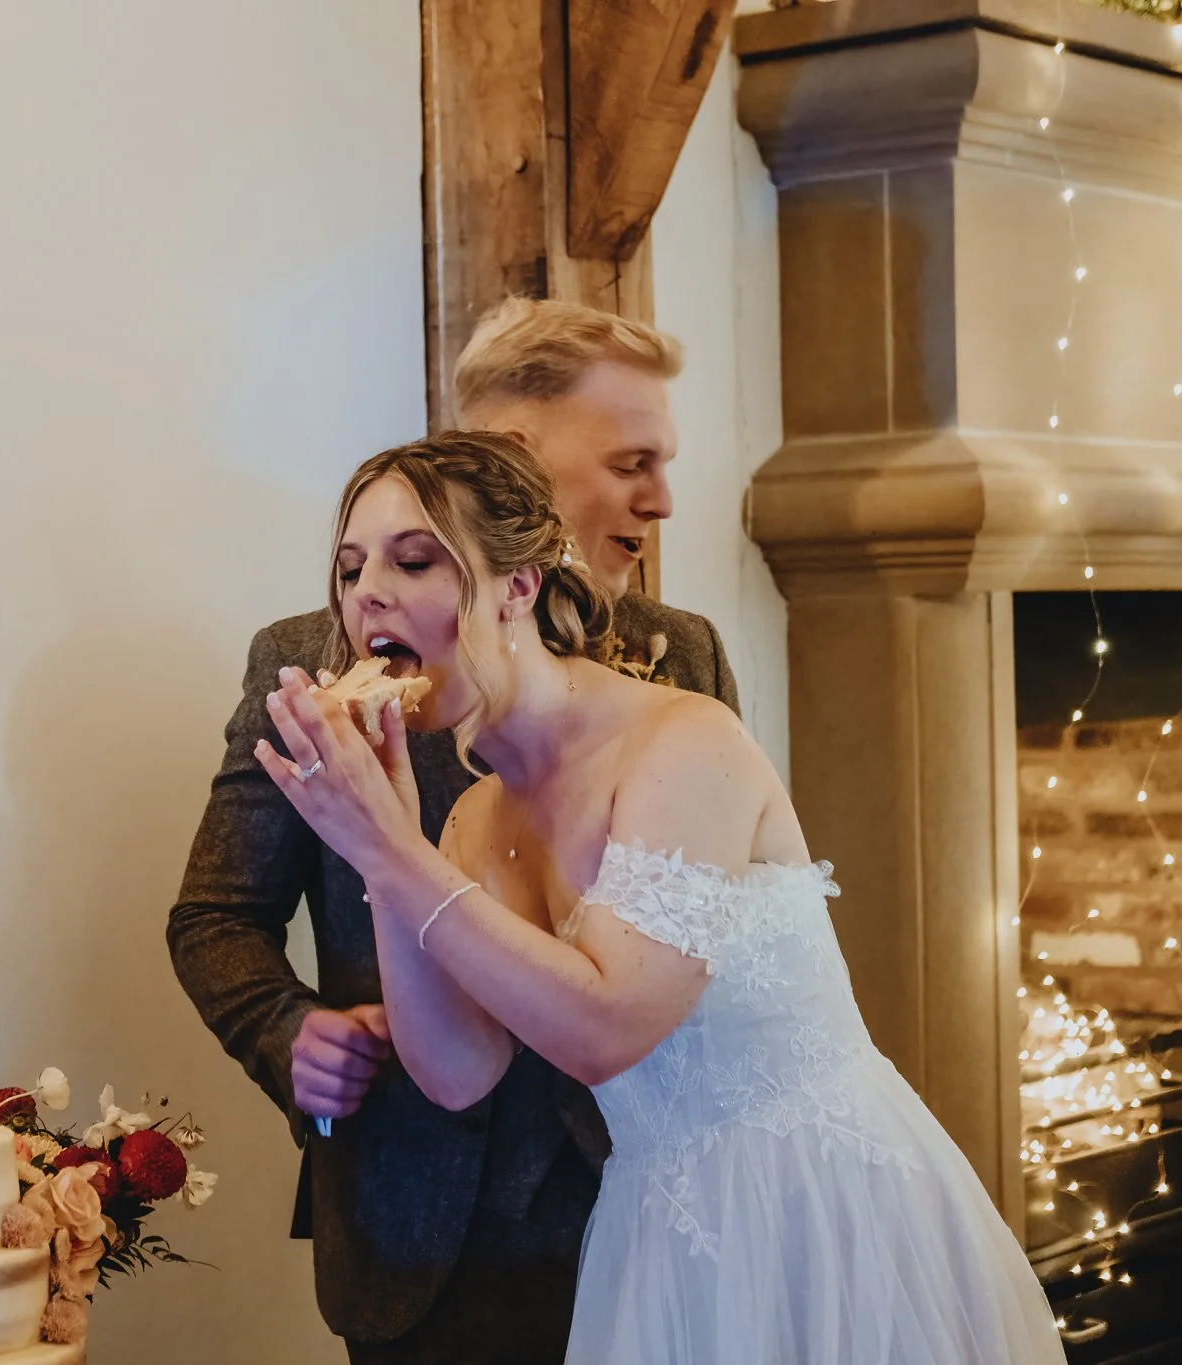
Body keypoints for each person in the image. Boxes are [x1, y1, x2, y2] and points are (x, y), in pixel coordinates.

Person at [256, 430, 1068, 1365]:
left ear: (519, 585)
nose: (367, 595)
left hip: (821, 1210)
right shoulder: (473, 823)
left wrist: (392, 853)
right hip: (661, 1234)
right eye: (352, 569)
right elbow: (456, 1071)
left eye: (413, 559)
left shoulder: (684, 744)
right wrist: (383, 847)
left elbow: (610, 1025)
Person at [167, 300, 738, 1362]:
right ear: (514, 456)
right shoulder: (312, 664)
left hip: (652, 1198)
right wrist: (286, 1035)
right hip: (417, 1211)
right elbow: (215, 912)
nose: (657, 500)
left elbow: (708, 950)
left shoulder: (682, 662)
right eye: (629, 461)